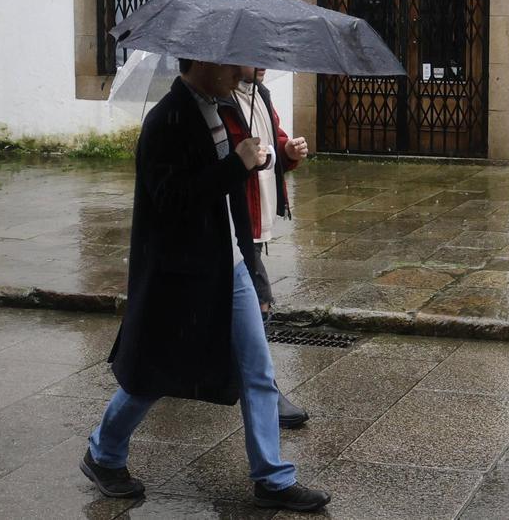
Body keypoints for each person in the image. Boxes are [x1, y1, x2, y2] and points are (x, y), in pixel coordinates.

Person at [80, 59, 330, 513]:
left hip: (228, 262)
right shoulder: (165, 122)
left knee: (257, 369)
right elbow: (171, 200)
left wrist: (267, 171)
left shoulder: (226, 108)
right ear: (200, 62)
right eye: (230, 63)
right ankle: (104, 453)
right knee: (154, 371)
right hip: (180, 270)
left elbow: (235, 186)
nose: (240, 71)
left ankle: (271, 477)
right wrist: (235, 165)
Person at [221, 66, 310, 428]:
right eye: (253, 54)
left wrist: (289, 150)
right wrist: (243, 161)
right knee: (259, 304)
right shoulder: (224, 103)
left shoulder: (263, 95)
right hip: (237, 223)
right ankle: (264, 391)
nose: (262, 63)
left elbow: (274, 145)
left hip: (258, 219)